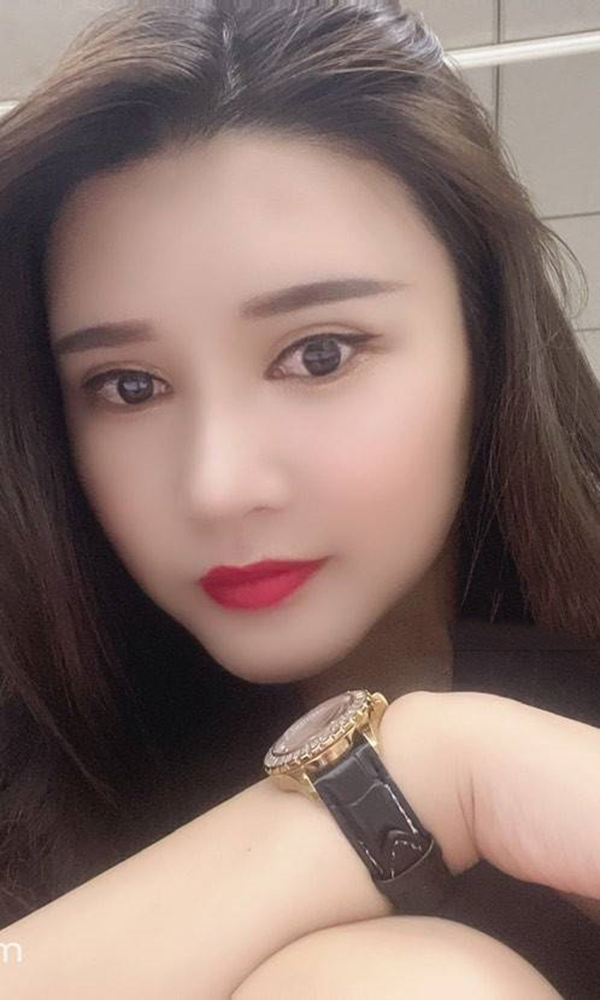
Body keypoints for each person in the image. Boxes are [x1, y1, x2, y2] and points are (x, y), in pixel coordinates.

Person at [0, 0, 598, 995]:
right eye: (129, 386)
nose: (219, 485)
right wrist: (430, 773)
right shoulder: (34, 745)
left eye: (319, 355)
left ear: (486, 335)